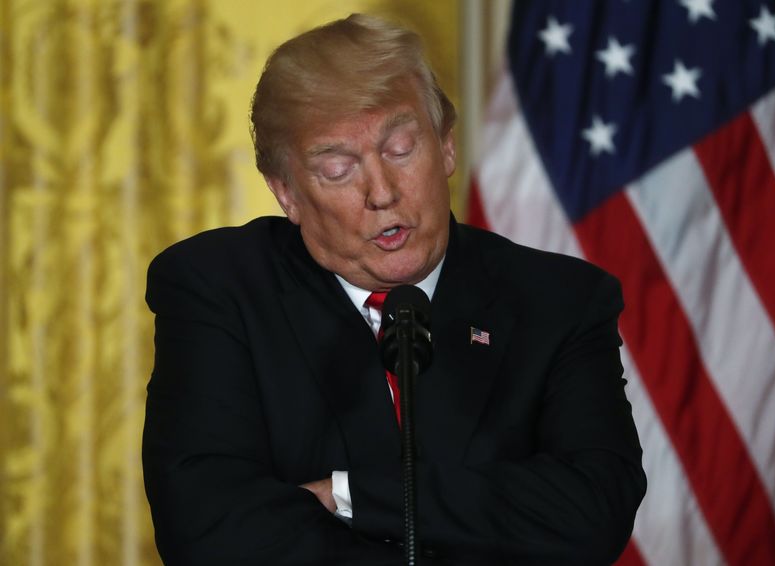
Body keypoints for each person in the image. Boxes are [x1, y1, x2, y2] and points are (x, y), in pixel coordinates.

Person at [143, 13, 646, 565]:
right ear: (285, 192)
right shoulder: (218, 289)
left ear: (447, 147)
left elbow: (593, 507)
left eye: (401, 149)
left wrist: (348, 494)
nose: (381, 192)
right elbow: (208, 529)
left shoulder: (559, 301)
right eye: (338, 168)